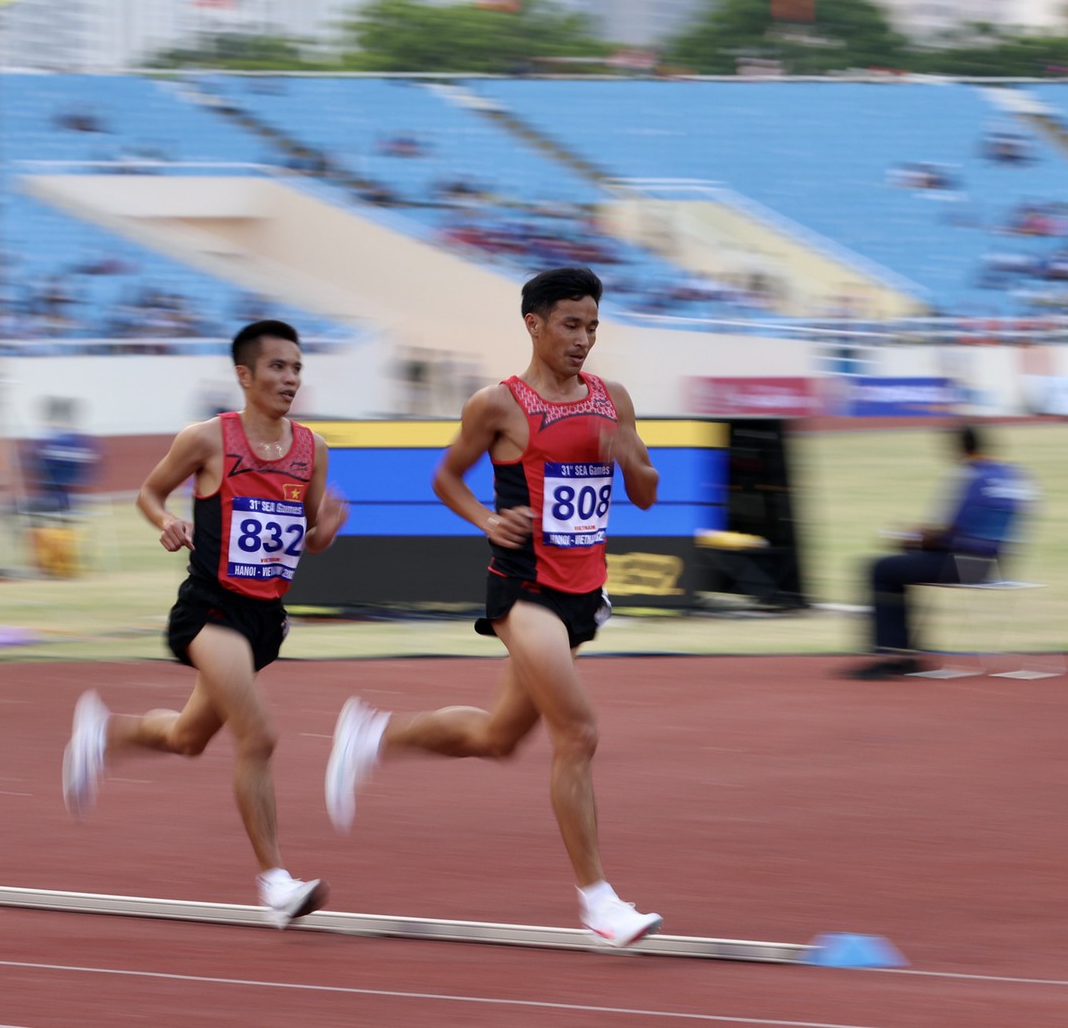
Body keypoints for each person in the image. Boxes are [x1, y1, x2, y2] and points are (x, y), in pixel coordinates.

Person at [324, 267, 665, 947]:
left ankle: (373, 735)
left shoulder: (613, 398)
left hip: (581, 594)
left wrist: (630, 457)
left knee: (497, 738)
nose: (584, 339)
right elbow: (446, 476)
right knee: (579, 734)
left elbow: (648, 493)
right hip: (523, 589)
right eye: (571, 324)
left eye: (593, 326)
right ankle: (599, 901)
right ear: (534, 324)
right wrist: (486, 518)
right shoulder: (497, 405)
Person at [62, 320, 348, 929]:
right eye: (277, 367)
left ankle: (104, 734)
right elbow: (148, 492)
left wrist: (327, 528)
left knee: (190, 738)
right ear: (244, 375)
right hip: (210, 609)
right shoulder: (208, 440)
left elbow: (312, 542)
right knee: (260, 735)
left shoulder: (312, 449)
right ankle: (276, 884)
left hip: (263, 620)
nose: (290, 379)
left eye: (297, 368)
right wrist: (165, 520)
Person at [844, 425, 1035, 680]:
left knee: (881, 568)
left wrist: (911, 537)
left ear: (959, 448)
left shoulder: (971, 477)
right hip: (996, 565)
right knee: (899, 569)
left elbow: (949, 534)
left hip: (964, 564)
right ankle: (904, 653)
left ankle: (892, 656)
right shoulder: (1013, 475)